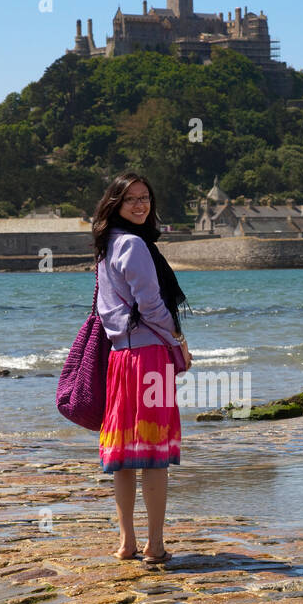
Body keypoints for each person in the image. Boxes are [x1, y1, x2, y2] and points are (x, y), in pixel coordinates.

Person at [92, 172, 192, 562]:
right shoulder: (134, 245)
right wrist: (178, 340)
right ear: (114, 203)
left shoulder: (106, 246)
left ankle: (126, 543)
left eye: (145, 197)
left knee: (123, 453)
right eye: (130, 198)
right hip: (148, 357)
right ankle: (155, 545)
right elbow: (151, 306)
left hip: (120, 357)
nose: (140, 205)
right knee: (153, 454)